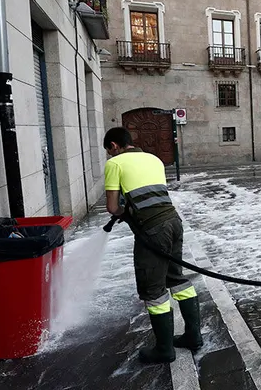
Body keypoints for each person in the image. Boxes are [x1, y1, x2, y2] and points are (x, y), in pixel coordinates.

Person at [103, 127, 203, 363]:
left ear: (114, 146)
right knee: (176, 278)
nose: (109, 155)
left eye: (109, 151)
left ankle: (164, 350)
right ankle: (193, 336)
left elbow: (112, 207)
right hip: (173, 223)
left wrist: (124, 211)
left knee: (153, 289)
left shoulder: (114, 164)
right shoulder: (153, 159)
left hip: (152, 231)